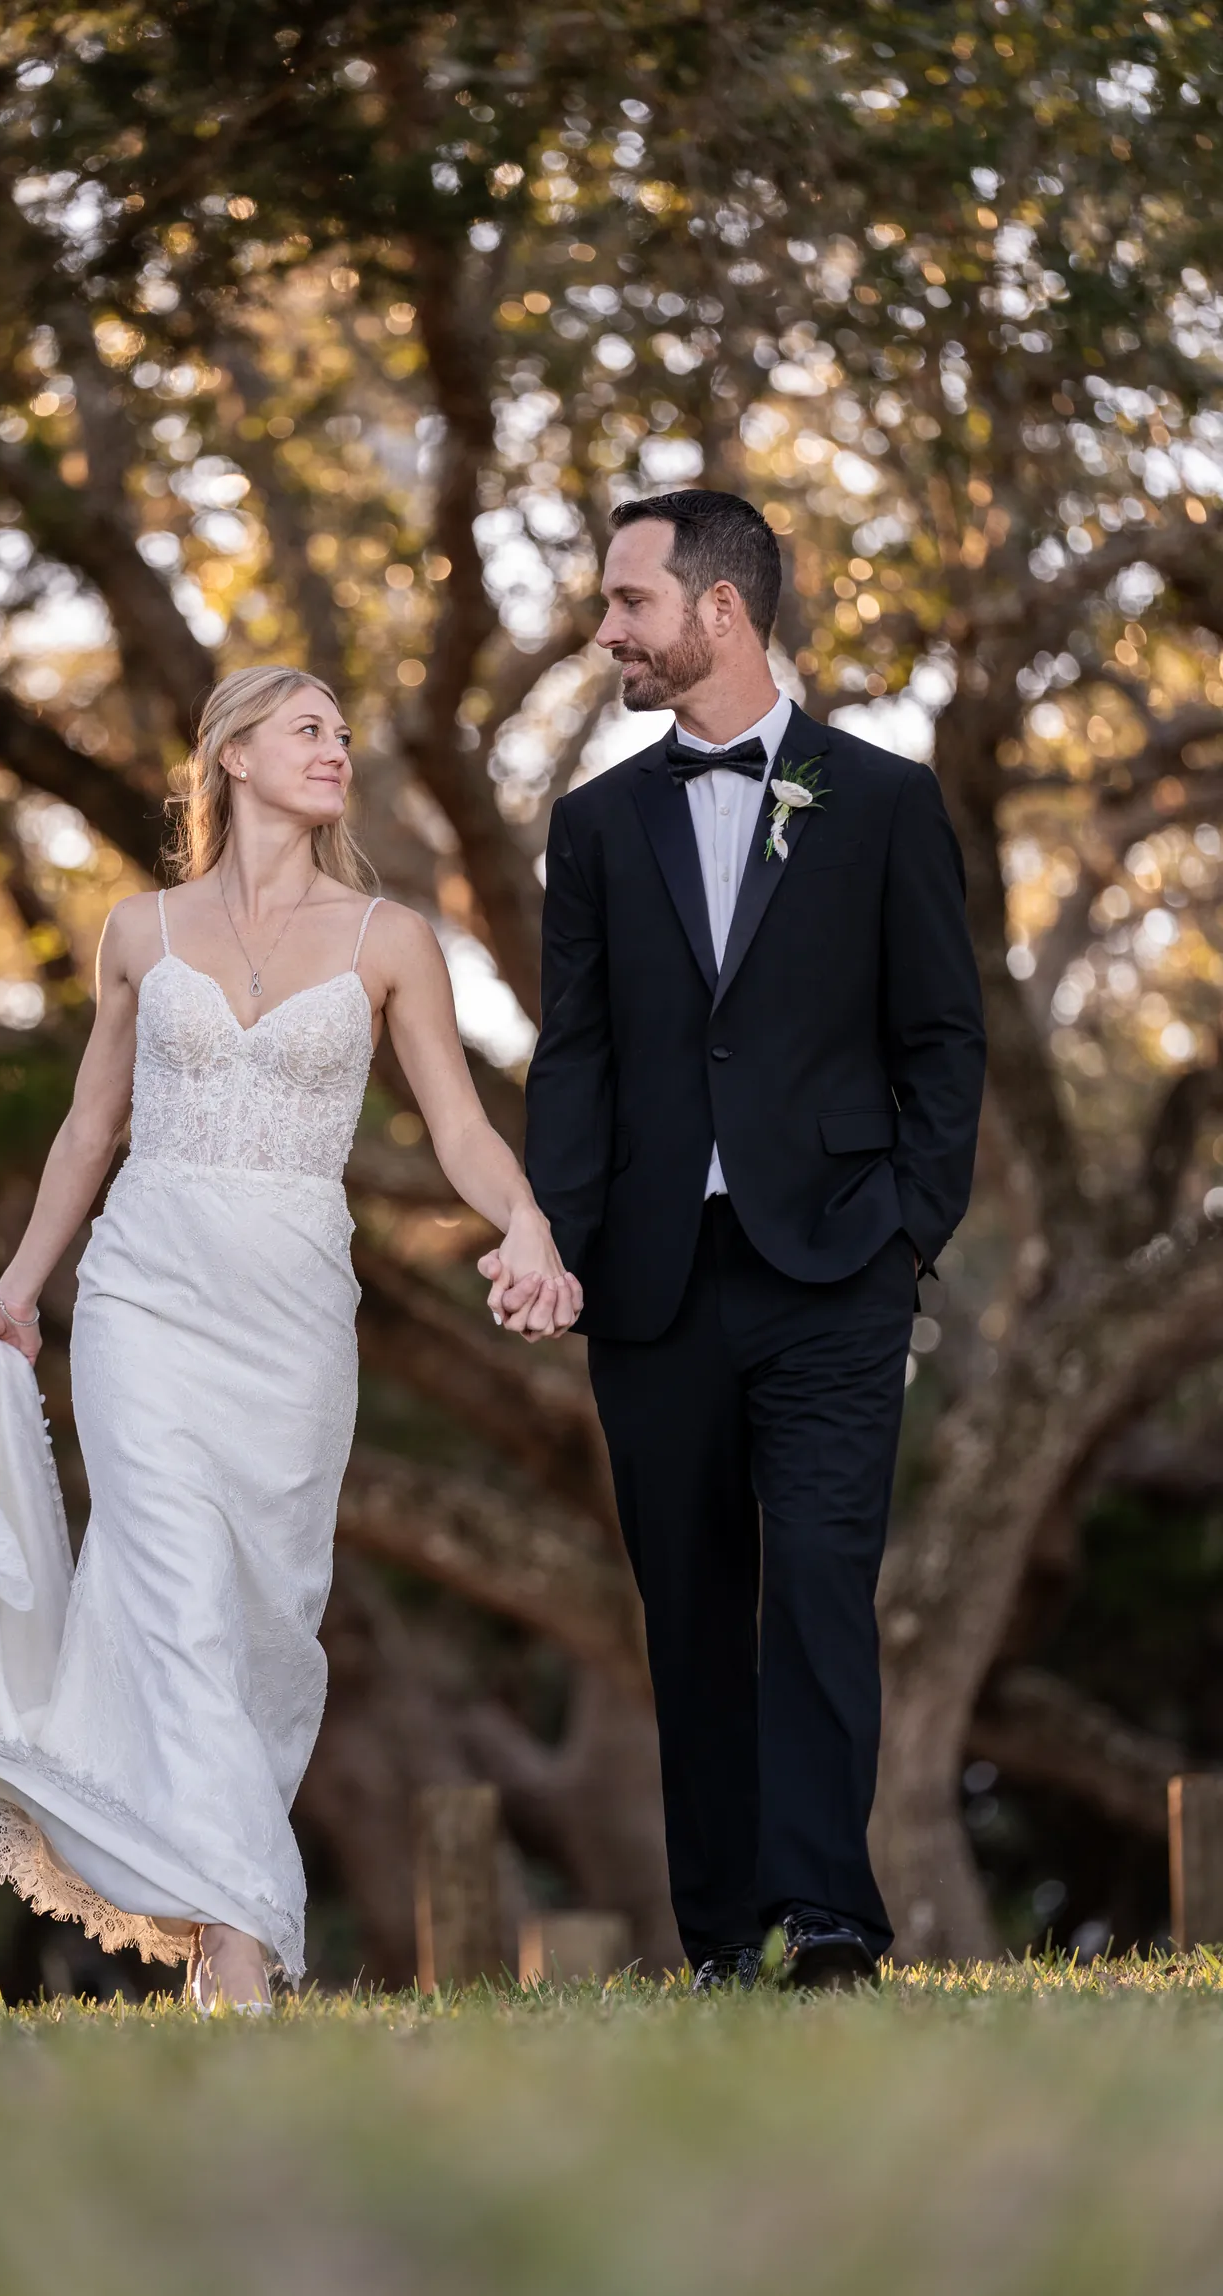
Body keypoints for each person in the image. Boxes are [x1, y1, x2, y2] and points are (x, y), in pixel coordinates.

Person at [0, 664, 579, 2010]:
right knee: (165, 1584)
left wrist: (520, 1219)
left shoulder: (389, 940)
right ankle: (239, 1937)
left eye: (343, 735)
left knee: (263, 1617)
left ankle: (200, 1886)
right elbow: (87, 1127)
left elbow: (459, 1126)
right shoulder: (139, 931)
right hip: (142, 1296)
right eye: (308, 732)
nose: (336, 751)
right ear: (233, 756)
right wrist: (22, 1281)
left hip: (294, 1311)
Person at [523, 490, 986, 1990]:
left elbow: (941, 1037)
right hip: (650, 1283)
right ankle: (722, 1932)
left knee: (826, 1588)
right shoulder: (595, 824)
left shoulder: (888, 800)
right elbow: (575, 1055)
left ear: (718, 611)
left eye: (628, 605)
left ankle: (834, 1920)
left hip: (837, 1269)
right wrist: (560, 1237)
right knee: (692, 1606)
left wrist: (906, 1230)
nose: (607, 633)